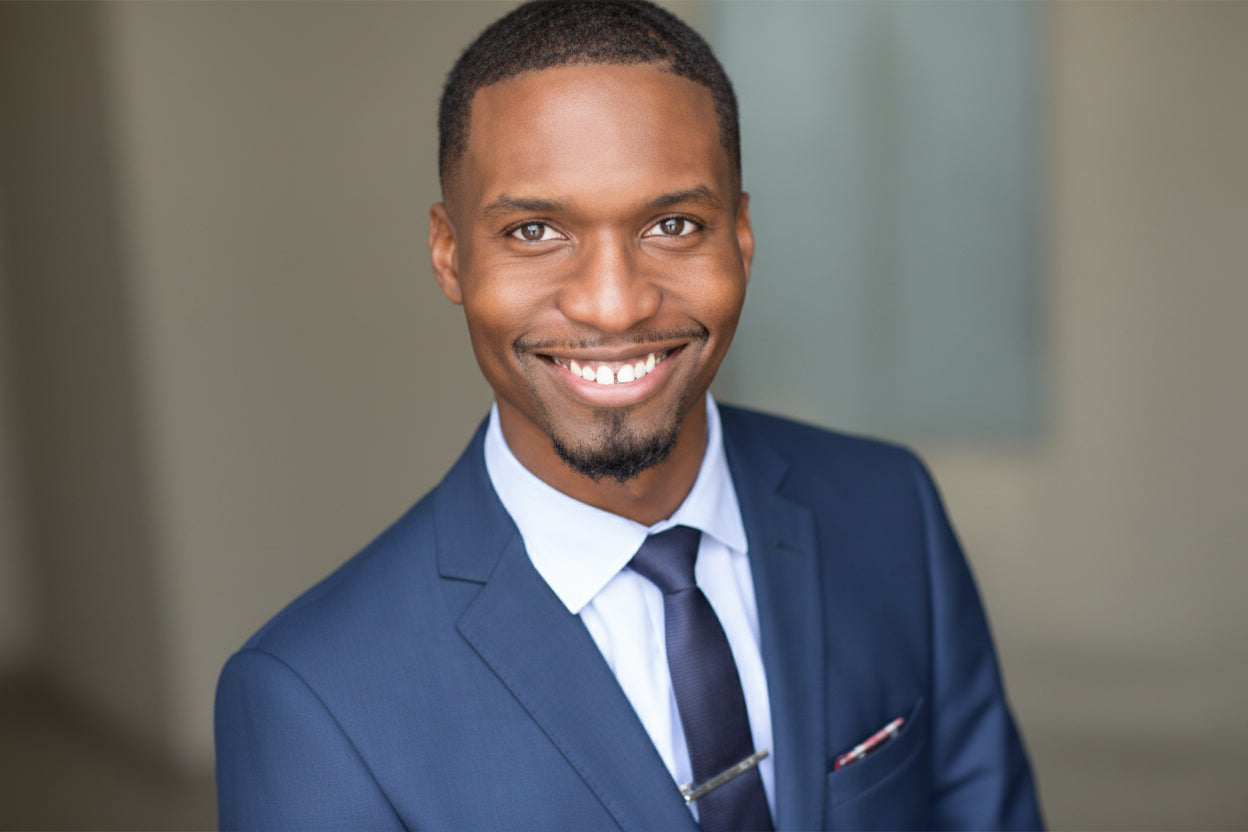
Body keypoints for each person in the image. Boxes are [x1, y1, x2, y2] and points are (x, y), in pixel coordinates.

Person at [214, 1, 1044, 829]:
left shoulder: (891, 510)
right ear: (449, 253)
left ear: (742, 236)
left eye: (672, 225)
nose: (613, 305)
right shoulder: (312, 698)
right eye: (535, 231)